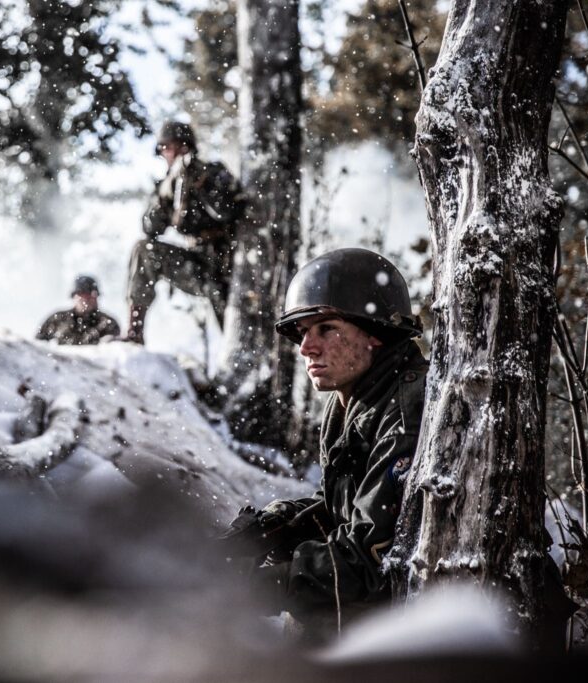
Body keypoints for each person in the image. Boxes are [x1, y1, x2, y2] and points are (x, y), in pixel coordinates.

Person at [220, 247, 427, 637]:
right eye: (303, 333)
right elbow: (345, 508)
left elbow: (370, 560)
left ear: (375, 335)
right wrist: (273, 528)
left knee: (314, 612)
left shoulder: (406, 411)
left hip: (438, 625)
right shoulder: (354, 398)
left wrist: (259, 588)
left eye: (326, 329)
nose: (306, 348)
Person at [124, 120, 246, 344]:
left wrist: (202, 184)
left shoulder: (213, 172)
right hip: (197, 263)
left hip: (227, 264)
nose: (165, 154)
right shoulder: (167, 184)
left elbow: (227, 210)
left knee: (233, 333)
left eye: (168, 147)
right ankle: (134, 332)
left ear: (184, 146)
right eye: (163, 149)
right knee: (144, 250)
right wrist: (165, 197)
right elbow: (150, 228)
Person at [36, 275, 121, 346]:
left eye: (91, 295)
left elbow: (113, 353)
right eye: (83, 294)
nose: (87, 299)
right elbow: (37, 346)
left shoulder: (108, 323)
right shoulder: (57, 319)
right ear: (74, 296)